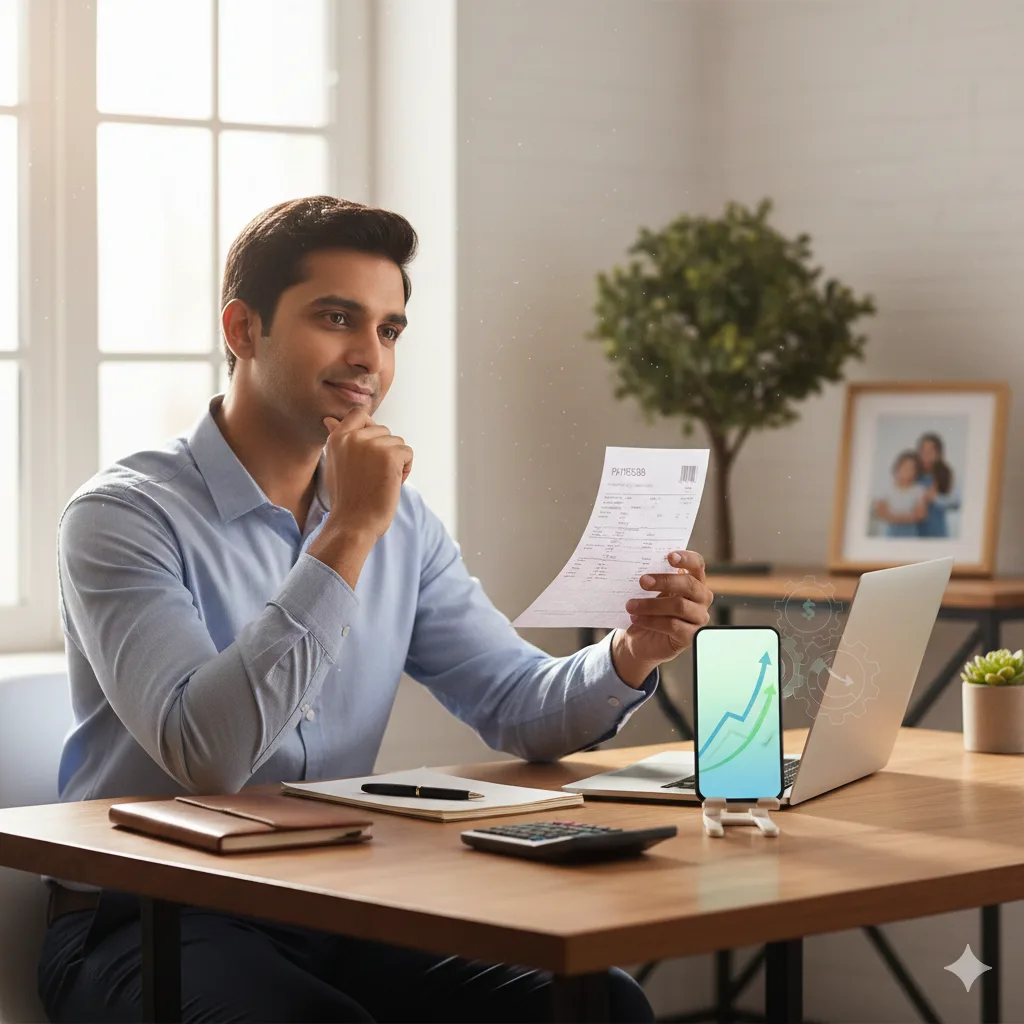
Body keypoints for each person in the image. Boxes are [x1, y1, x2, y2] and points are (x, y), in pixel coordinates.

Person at [38, 196, 713, 1023]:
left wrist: (630, 651)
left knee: (596, 1004)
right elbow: (207, 754)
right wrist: (349, 532)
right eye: (337, 318)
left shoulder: (402, 521)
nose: (369, 357)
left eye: (389, 330)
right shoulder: (123, 515)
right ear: (243, 329)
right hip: (152, 918)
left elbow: (517, 705)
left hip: (338, 898)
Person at [872, 450, 928, 537]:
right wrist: (910, 516)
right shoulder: (885, 488)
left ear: (916, 472)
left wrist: (891, 516)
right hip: (888, 535)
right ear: (898, 467)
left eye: (911, 468)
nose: (907, 471)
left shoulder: (919, 490)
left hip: (910, 535)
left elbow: (921, 515)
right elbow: (880, 513)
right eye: (904, 466)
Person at [915, 432, 958, 539]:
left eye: (931, 451)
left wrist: (935, 498)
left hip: (936, 530)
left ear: (938, 453)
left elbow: (955, 503)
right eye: (923, 451)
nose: (926, 455)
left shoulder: (945, 474)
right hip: (914, 530)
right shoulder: (913, 473)